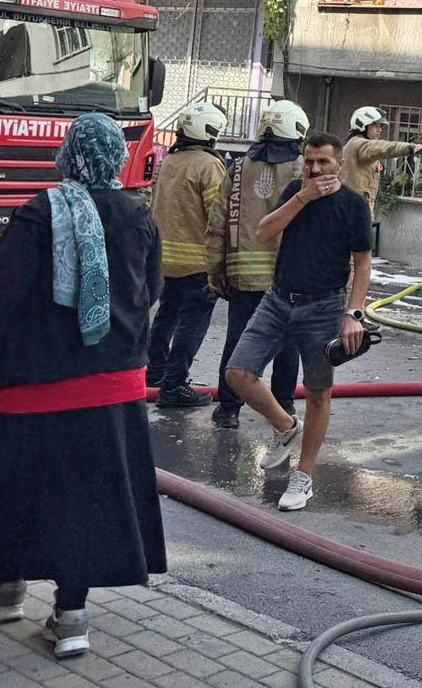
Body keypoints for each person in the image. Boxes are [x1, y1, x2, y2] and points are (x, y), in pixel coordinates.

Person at [0, 114, 166, 661]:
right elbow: (150, 289)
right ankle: (71, 616)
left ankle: (6, 586)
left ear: (67, 156)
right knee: (88, 498)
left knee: (22, 488)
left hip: (39, 384)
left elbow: (3, 295)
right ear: (117, 158)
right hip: (113, 385)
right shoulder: (138, 214)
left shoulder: (38, 213)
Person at [225, 133, 374, 513]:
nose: (315, 169)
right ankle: (286, 427)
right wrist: (302, 197)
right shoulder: (296, 191)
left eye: (323, 162)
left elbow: (362, 264)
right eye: (309, 161)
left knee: (318, 392)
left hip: (324, 307)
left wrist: (354, 314)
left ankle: (303, 477)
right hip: (278, 299)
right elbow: (264, 231)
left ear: (340, 164)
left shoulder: (353, 204)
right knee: (238, 372)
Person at [207, 99, 308, 429]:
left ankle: (228, 409)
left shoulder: (237, 169)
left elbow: (218, 222)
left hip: (243, 276)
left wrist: (215, 271)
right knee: (288, 342)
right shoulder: (303, 169)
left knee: (238, 342)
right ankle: (284, 408)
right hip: (288, 276)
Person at [146, 101, 228, 409]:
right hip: (197, 263)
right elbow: (218, 216)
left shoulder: (170, 160)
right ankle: (174, 385)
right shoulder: (209, 165)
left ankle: (154, 374)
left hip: (165, 261)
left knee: (166, 316)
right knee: (192, 324)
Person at [339, 106, 422, 225]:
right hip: (355, 207)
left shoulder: (354, 143)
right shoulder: (360, 144)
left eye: (381, 126)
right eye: (376, 126)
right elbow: (384, 147)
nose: (380, 130)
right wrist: (409, 148)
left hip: (354, 204)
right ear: (363, 125)